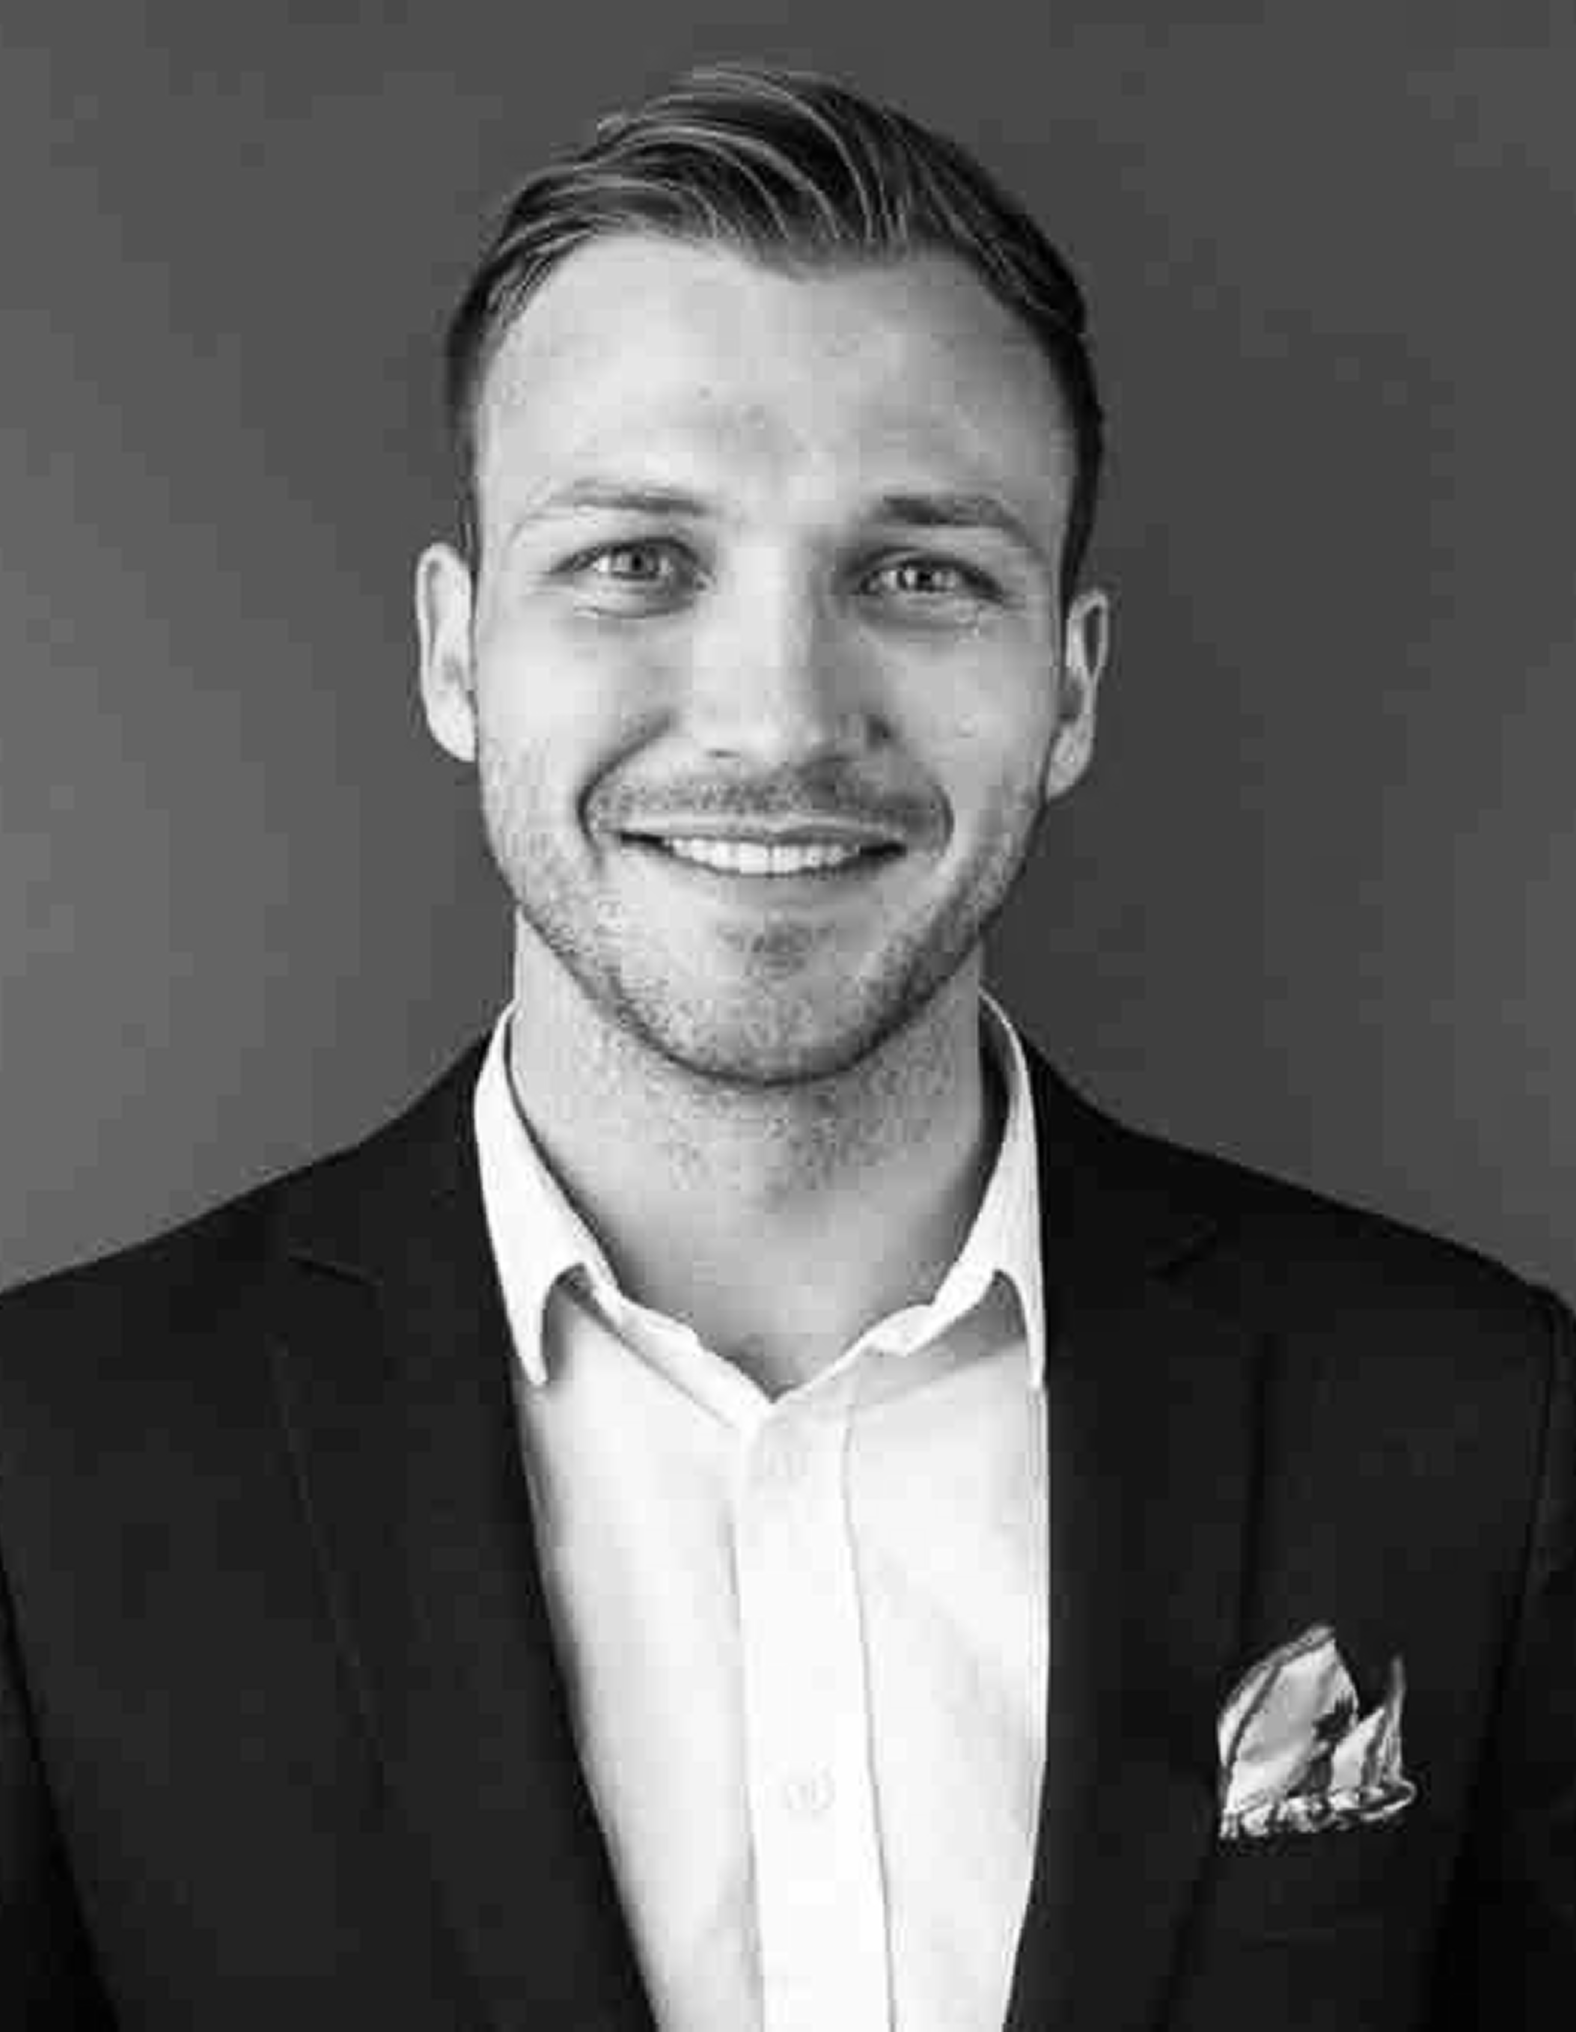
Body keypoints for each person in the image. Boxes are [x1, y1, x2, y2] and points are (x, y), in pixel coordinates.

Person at [0, 61, 1570, 2032]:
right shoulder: (44, 1473)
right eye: (636, 559)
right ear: (452, 651)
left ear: (1064, 685)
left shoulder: (1470, 1428)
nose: (774, 717)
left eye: (915, 573)